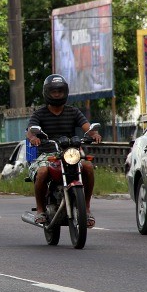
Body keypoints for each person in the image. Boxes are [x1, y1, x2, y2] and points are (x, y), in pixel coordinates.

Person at [26, 74, 102, 227]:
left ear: (65, 92)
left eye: (60, 91)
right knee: (42, 172)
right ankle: (40, 210)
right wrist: (33, 137)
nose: (57, 94)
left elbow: (86, 127)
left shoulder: (73, 112)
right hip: (47, 154)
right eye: (54, 91)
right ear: (47, 93)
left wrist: (93, 134)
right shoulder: (40, 113)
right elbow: (30, 130)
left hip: (70, 153)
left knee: (87, 166)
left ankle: (86, 208)